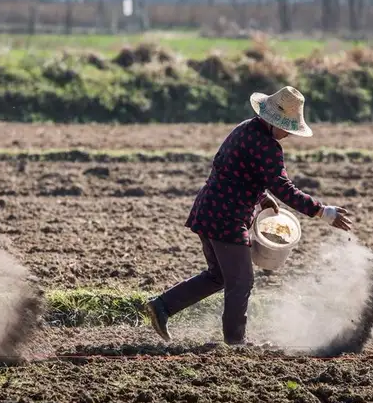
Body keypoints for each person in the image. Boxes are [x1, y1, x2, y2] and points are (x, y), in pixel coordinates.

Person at [144, 86, 352, 345]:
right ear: (276, 122)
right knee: (241, 282)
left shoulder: (245, 128)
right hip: (227, 218)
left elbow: (231, 167)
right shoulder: (267, 146)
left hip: (209, 209)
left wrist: (261, 196)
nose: (288, 134)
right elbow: (284, 188)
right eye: (288, 128)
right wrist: (322, 211)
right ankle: (235, 342)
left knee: (219, 275)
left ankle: (162, 306)